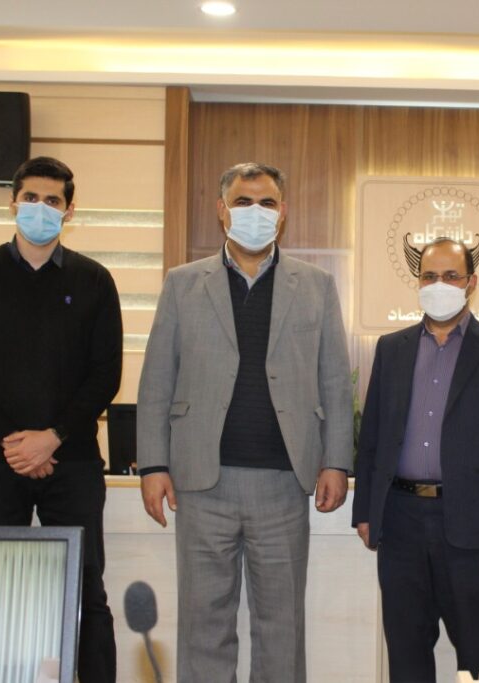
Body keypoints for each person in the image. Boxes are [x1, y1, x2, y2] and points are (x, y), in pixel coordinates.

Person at [137, 162, 352, 683]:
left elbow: (334, 380)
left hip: (283, 484)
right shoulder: (182, 284)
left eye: (267, 203)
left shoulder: (316, 285)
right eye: (243, 201)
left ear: (283, 213)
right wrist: (153, 465)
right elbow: (157, 380)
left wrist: (337, 462)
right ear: (222, 210)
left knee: (281, 627)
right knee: (203, 625)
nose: (255, 212)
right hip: (201, 483)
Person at [0, 156, 122, 683]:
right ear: (13, 203)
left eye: (53, 200)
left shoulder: (94, 280)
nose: (41, 208)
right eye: (31, 198)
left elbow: (104, 375)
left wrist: (52, 438)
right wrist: (16, 444)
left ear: (70, 211)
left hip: (73, 462)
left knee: (85, 591)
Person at [352, 237, 479, 681]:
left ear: (472, 282)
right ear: (418, 282)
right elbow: (372, 435)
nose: (439, 285)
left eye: (451, 276)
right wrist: (366, 512)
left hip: (472, 526)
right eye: (429, 276)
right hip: (400, 523)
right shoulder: (392, 348)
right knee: (406, 655)